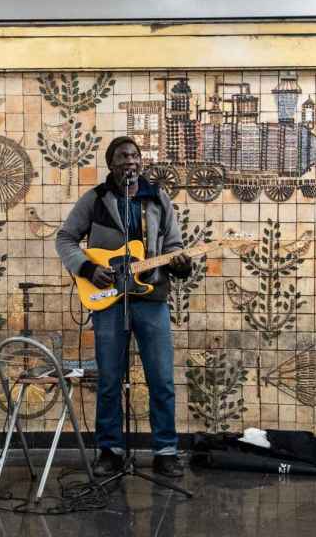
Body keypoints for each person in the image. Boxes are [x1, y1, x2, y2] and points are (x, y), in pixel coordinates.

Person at [56, 136, 191, 478]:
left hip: (152, 298)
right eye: (123, 156)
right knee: (110, 379)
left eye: (135, 155)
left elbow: (173, 245)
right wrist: (86, 268)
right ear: (111, 164)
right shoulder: (96, 199)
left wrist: (180, 264)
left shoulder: (157, 198)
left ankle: (165, 451)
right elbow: (65, 238)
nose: (130, 161)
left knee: (161, 378)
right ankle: (111, 450)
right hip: (109, 300)